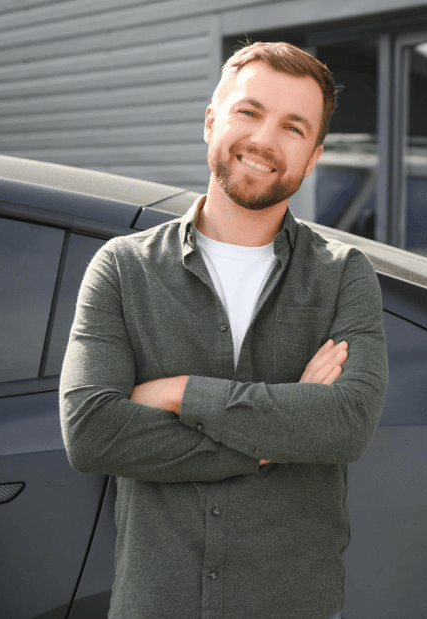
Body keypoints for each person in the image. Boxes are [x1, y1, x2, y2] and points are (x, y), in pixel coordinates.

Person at [59, 41, 388, 619]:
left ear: (312, 157)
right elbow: (92, 432)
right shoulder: (122, 267)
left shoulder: (343, 275)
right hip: (156, 604)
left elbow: (347, 424)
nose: (264, 140)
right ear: (212, 121)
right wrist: (276, 440)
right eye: (249, 112)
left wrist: (181, 392)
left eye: (293, 126)